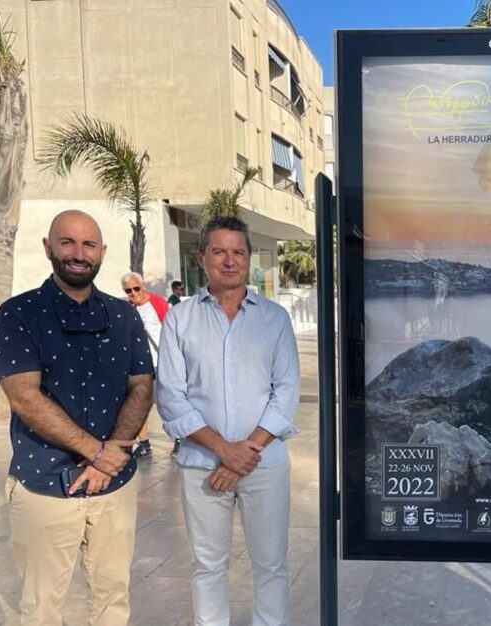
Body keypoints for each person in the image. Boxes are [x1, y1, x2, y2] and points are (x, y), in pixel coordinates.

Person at [0, 210, 154, 625]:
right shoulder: (18, 314)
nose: (79, 254)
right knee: (42, 607)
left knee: (113, 599)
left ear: (102, 252)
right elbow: (24, 397)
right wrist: (98, 452)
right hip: (44, 485)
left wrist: (108, 458)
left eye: (88, 245)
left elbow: (142, 386)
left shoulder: (123, 315)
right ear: (48, 247)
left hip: (115, 487)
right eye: (67, 243)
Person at [157, 216, 300, 626]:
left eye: (238, 252)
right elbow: (170, 395)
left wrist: (246, 451)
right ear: (202, 258)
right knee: (207, 565)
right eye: (219, 251)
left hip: (264, 465)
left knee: (271, 563)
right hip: (203, 465)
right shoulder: (180, 320)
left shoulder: (274, 319)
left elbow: (286, 390)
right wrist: (225, 451)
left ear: (249, 259)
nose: (229, 261)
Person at [121, 271, 169, 458]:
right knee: (138, 404)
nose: (133, 293)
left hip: (160, 361)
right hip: (139, 365)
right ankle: (144, 443)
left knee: (164, 403)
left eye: (136, 288)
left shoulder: (158, 303)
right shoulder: (127, 309)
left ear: (143, 287)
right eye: (128, 291)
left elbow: (171, 329)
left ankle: (179, 438)